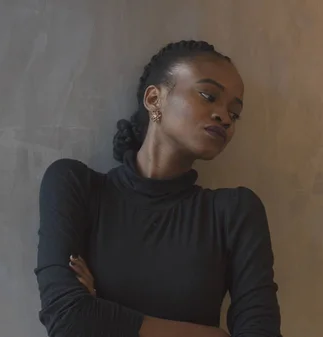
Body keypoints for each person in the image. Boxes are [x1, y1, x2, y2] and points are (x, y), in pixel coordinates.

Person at [34, 40, 282, 337]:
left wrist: (99, 313)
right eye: (208, 96)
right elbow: (67, 319)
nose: (224, 117)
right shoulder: (76, 186)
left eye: (235, 112)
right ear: (154, 99)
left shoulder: (234, 212)